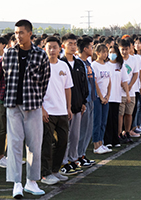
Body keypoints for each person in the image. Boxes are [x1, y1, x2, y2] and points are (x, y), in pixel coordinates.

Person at [2, 20, 50, 198]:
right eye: (16, 33)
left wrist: (37, 98)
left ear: (30, 33)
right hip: (13, 105)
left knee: (34, 145)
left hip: (33, 105)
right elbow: (6, 76)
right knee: (14, 145)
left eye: (21, 32)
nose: (18, 36)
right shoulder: (9, 53)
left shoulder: (40, 54)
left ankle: (31, 181)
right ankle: (16, 183)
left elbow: (45, 80)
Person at [41, 36, 73, 184]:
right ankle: (45, 174)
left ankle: (55, 170)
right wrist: (41, 109)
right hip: (47, 111)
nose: (52, 50)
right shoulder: (41, 66)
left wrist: (68, 107)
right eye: (49, 47)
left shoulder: (64, 66)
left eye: (55, 47)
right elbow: (35, 90)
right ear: (44, 48)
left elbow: (67, 88)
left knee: (63, 142)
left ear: (60, 48)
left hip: (62, 111)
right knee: (46, 144)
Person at [60, 33, 88, 175]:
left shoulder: (79, 63)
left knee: (75, 136)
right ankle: (63, 162)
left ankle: (72, 159)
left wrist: (83, 101)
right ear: (63, 45)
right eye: (70, 43)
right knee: (65, 136)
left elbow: (83, 84)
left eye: (74, 44)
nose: (72, 46)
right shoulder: (60, 63)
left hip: (77, 105)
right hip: (63, 108)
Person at [76, 36, 96, 168]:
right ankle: (77, 156)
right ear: (85, 48)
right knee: (81, 131)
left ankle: (82, 155)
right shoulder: (79, 63)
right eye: (91, 47)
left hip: (91, 100)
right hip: (84, 102)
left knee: (88, 130)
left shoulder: (87, 63)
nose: (93, 49)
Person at [105, 45, 130, 147]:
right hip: (107, 97)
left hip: (116, 96)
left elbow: (124, 81)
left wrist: (128, 95)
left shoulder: (120, 65)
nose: (112, 54)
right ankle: (107, 141)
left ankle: (115, 140)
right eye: (110, 52)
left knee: (115, 119)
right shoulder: (105, 64)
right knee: (108, 119)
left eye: (114, 52)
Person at [91, 44, 112, 154]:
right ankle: (96, 145)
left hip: (105, 97)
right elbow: (95, 83)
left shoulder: (107, 65)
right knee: (97, 121)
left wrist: (108, 95)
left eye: (106, 52)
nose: (105, 54)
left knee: (104, 121)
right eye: (103, 52)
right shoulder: (94, 65)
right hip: (97, 98)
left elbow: (109, 81)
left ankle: (101, 142)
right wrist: (100, 96)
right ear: (97, 53)